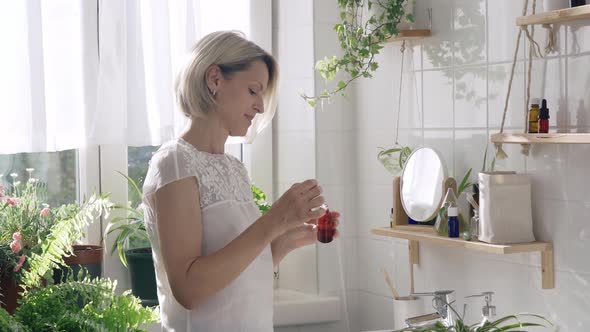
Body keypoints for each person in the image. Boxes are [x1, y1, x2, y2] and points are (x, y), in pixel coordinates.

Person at [142, 30, 340, 331]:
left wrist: (283, 242)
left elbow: (235, 280)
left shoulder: (234, 169)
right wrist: (274, 221)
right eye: (253, 90)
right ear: (215, 80)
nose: (260, 106)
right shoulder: (175, 164)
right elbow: (190, 290)